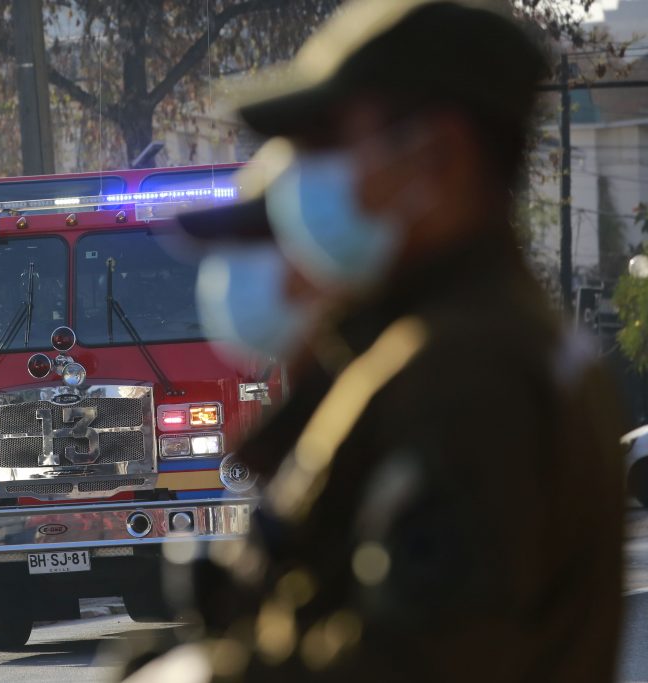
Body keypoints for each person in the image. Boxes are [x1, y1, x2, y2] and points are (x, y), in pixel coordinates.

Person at [125, 0, 626, 681]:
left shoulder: (468, 373)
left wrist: (196, 675)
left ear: (439, 155)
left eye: (331, 141)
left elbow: (417, 659)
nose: (307, 181)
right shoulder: (466, 346)